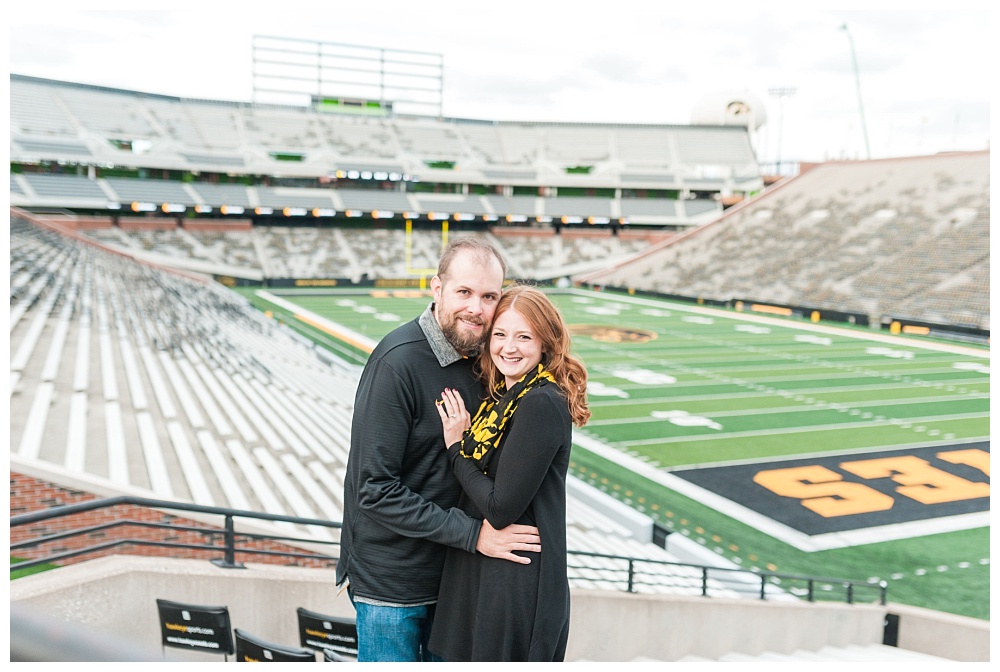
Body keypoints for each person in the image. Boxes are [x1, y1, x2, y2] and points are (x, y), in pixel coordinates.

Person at [336, 238, 543, 663]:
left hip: (457, 578)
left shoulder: (490, 359)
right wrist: (473, 535)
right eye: (464, 292)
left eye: (489, 296)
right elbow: (374, 489)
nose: (477, 308)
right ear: (437, 289)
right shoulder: (397, 363)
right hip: (393, 584)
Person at [429, 285, 591, 662]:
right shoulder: (502, 398)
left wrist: (456, 448)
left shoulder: (541, 403)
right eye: (500, 334)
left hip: (513, 581)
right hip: (486, 570)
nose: (509, 347)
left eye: (523, 336)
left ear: (545, 343)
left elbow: (501, 508)